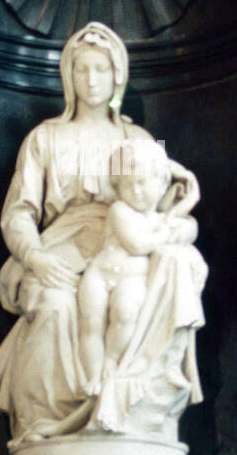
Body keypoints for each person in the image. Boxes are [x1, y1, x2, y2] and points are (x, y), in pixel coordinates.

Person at [0, 21, 202, 455]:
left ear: (117, 75)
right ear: (69, 77)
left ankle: (122, 405)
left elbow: (163, 206)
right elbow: (19, 214)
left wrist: (180, 226)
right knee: (53, 304)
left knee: (141, 295)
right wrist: (35, 258)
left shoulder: (136, 139)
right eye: (82, 70)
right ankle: (49, 422)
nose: (91, 79)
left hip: (121, 247)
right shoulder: (44, 138)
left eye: (100, 69)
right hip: (60, 248)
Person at [78, 138, 198, 395]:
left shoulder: (159, 218)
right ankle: (93, 376)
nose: (137, 191)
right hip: (99, 276)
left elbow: (190, 229)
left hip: (133, 280)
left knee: (124, 316)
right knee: (91, 326)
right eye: (128, 185)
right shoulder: (120, 210)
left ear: (163, 183)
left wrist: (187, 197)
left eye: (143, 182)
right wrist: (168, 227)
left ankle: (111, 362)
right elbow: (137, 245)